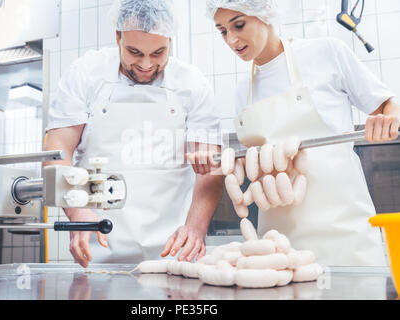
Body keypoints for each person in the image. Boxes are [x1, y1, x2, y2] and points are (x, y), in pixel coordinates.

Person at [206, 0, 400, 266]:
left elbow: (387, 106)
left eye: (239, 25)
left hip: (346, 239)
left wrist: (387, 121)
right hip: (279, 250)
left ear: (265, 13)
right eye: (222, 31)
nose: (231, 39)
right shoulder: (243, 91)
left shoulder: (326, 53)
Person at [44, 0, 224, 267]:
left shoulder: (192, 84)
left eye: (158, 52)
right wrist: (77, 211)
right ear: (117, 36)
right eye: (135, 52)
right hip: (99, 248)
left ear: (170, 41)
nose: (146, 64)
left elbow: (210, 168)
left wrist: (196, 228)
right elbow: (56, 153)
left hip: (174, 251)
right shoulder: (86, 74)